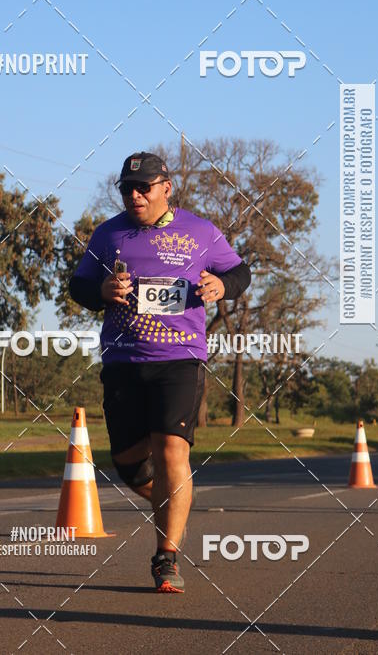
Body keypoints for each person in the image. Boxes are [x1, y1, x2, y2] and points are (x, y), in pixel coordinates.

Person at [69, 151, 252, 592]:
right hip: (122, 361)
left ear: (165, 187)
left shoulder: (201, 231)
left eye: (143, 187)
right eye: (127, 189)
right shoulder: (108, 233)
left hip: (180, 360)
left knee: (173, 452)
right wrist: (102, 290)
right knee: (130, 466)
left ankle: (166, 557)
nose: (134, 195)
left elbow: (240, 272)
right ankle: (176, 502)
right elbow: (79, 285)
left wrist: (222, 285)